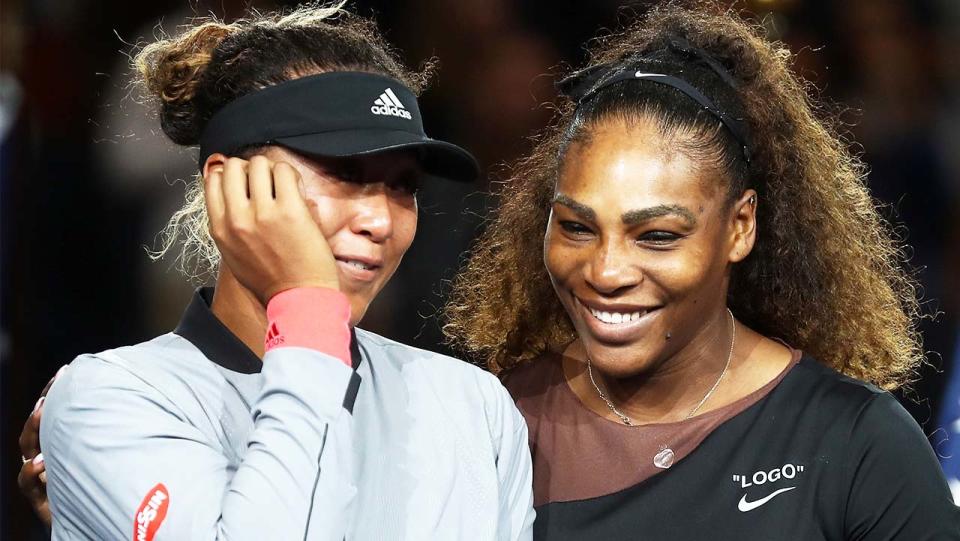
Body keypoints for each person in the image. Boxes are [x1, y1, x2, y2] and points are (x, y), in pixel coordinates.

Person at [443, 4, 960, 539]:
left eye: (658, 236)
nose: (605, 270)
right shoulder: (498, 421)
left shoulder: (857, 442)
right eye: (576, 227)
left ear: (740, 226)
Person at [18, 4, 534, 540]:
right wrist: (307, 305)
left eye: (403, 184)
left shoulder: (474, 403)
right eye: (344, 172)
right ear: (231, 187)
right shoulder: (111, 400)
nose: (381, 219)